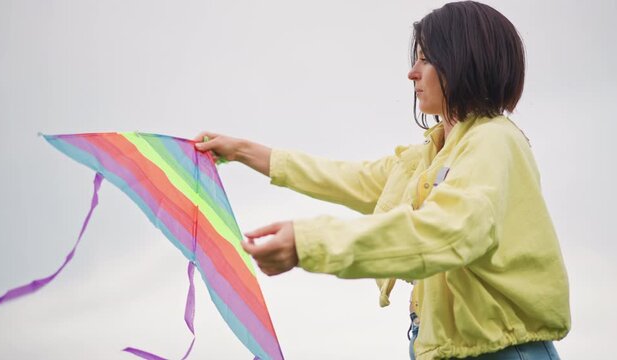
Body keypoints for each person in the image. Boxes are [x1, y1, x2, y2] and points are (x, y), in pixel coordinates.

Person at [193, 1, 570, 359]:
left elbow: (445, 233)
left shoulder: (492, 142)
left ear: (463, 61)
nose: (412, 73)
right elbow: (344, 178)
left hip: (503, 353)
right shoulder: (428, 156)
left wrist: (308, 243)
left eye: (426, 59)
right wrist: (244, 151)